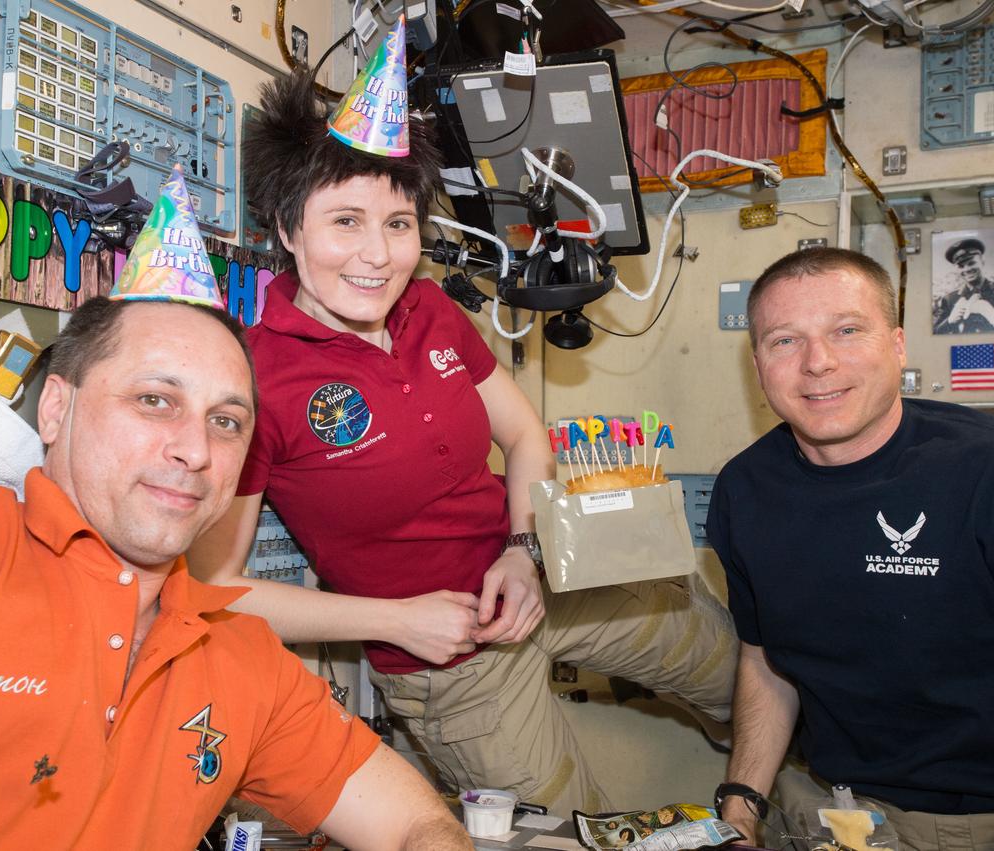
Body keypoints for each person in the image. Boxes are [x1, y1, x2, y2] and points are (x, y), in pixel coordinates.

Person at [188, 59, 736, 817]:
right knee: (570, 833)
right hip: (444, 657)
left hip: (550, 579)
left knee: (739, 674)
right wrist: (396, 619)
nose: (377, 254)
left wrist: (523, 548)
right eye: (344, 221)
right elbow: (214, 589)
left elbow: (520, 435)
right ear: (287, 229)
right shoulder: (255, 375)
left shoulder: (431, 311)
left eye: (398, 224)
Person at [0, 294, 471, 850]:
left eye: (227, 421)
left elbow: (414, 821)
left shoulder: (240, 656)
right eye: (155, 400)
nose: (195, 449)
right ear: (55, 408)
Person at [707, 247, 994, 851]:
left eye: (847, 331)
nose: (818, 363)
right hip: (824, 809)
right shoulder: (746, 488)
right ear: (757, 365)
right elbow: (765, 660)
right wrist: (739, 810)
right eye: (784, 341)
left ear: (898, 346)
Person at [931, 237, 994, 333]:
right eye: (961, 266)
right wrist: (949, 321)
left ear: (982, 261)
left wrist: (993, 314)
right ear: (956, 269)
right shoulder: (949, 299)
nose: (966, 269)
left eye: (971, 263)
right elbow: (935, 333)